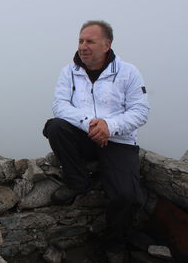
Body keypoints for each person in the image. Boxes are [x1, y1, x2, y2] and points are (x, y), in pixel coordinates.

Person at [43, 20, 149, 259]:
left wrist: (109, 127)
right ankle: (78, 183)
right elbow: (59, 105)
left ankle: (113, 243)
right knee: (55, 127)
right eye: (81, 40)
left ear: (107, 44)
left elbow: (140, 111)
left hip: (119, 141)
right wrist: (91, 123)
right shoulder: (69, 71)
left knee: (127, 196)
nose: (83, 46)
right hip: (85, 134)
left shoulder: (128, 72)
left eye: (90, 41)